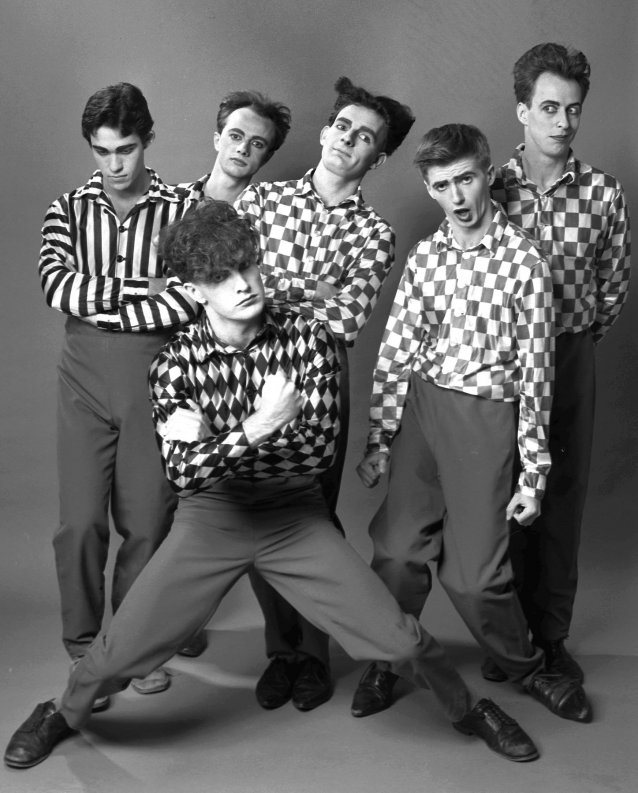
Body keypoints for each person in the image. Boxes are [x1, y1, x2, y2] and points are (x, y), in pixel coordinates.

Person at [5, 200, 543, 769]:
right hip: (211, 520)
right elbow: (184, 474)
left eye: (247, 267)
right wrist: (261, 425)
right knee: (118, 652)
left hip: (295, 517)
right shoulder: (175, 364)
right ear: (194, 291)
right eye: (219, 277)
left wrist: (218, 438)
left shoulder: (306, 339)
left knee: (401, 639)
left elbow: (316, 452)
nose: (241, 285)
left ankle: (468, 709)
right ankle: (60, 713)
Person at [350, 123, 592, 727]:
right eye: (441, 185)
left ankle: (528, 665)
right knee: (397, 552)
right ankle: (389, 659)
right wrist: (381, 439)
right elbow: (396, 351)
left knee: (476, 577)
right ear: (429, 190)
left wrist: (533, 475)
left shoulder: (524, 264)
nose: (457, 196)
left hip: (486, 417)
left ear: (487, 174)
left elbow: (538, 377)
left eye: (465, 179)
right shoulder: (425, 256)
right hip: (424, 411)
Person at [235, 76, 415, 712]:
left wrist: (279, 292)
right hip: (249, 377)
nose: (349, 141)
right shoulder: (262, 202)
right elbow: (238, 292)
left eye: (365, 137)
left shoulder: (376, 234)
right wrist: (315, 290)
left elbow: (344, 321)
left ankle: (313, 655)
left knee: (311, 518)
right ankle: (280, 652)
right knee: (254, 510)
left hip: (320, 387)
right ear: (325, 130)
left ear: (379, 156)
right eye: (343, 127)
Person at [40, 83, 201, 708]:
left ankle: (130, 649)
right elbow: (58, 287)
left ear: (147, 140)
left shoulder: (183, 205)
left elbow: (189, 294)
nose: (114, 165)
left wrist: (107, 292)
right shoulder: (67, 208)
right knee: (79, 522)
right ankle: (85, 647)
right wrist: (143, 289)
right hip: (82, 374)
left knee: (147, 521)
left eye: (126, 149)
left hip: (154, 375)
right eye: (102, 151)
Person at [487, 42, 631, 683]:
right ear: (522, 111)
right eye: (549, 108)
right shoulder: (487, 188)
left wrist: (568, 343)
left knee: (562, 497)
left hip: (569, 355)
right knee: (503, 492)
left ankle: (552, 635)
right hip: (498, 360)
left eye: (573, 110)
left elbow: (614, 285)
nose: (563, 122)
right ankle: (504, 635)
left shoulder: (602, 193)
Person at [175, 88, 292, 659]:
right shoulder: (171, 203)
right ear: (217, 135)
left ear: (266, 157)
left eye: (259, 144)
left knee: (264, 494)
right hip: (179, 365)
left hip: (253, 367)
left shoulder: (271, 214)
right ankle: (179, 623)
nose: (244, 148)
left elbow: (283, 292)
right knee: (180, 498)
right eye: (237, 135)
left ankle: (287, 650)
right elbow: (153, 287)